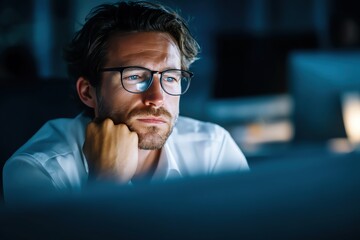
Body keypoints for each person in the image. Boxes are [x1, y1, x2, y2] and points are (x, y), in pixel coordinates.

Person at [2, 0, 249, 204]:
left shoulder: (214, 150)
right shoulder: (36, 172)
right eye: (134, 77)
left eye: (171, 78)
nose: (157, 98)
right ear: (88, 92)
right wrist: (105, 182)